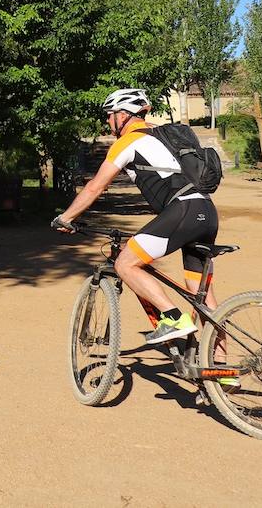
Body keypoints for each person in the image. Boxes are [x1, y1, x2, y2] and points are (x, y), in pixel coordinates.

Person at [53, 88, 222, 346]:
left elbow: (95, 187)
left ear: (123, 115)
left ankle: (173, 318)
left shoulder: (127, 142)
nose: (108, 121)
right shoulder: (164, 134)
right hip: (207, 211)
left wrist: (66, 217)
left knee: (125, 264)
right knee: (202, 293)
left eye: (110, 115)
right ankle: (221, 367)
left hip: (183, 211)